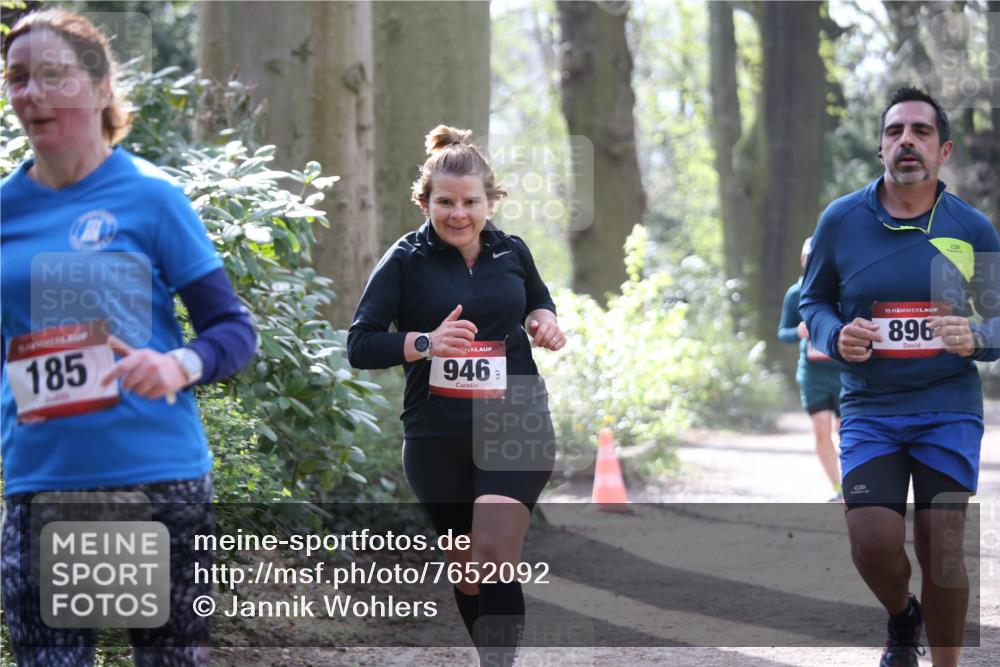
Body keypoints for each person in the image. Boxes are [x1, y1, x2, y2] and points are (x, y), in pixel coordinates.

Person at [1, 10, 256, 666]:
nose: (30, 92)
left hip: (157, 482)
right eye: (17, 78)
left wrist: (179, 363)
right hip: (44, 484)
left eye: (52, 75)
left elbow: (232, 330)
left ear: (100, 86)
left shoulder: (152, 198)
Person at [348, 125, 565, 667]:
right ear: (424, 201)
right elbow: (360, 344)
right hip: (436, 431)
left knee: (493, 549)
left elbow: (538, 301)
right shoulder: (404, 260)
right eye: (445, 202)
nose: (458, 214)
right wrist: (425, 342)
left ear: (491, 201)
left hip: (516, 417)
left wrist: (544, 323)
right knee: (467, 564)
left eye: (471, 201)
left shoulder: (512, 251)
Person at [800, 86, 1000, 667]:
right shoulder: (842, 220)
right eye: (894, 132)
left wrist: (978, 335)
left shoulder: (973, 228)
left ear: (944, 151)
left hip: (948, 408)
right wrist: (837, 335)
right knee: (872, 543)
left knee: (942, 551)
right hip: (870, 409)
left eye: (920, 132)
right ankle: (900, 617)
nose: (906, 141)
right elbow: (814, 303)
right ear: (881, 147)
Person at [777, 236, 843, 501]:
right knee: (821, 429)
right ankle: (837, 487)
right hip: (813, 373)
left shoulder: (843, 289)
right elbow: (782, 333)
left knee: (846, 430)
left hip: (843, 372)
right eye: (810, 258)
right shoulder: (796, 294)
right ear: (803, 260)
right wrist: (798, 331)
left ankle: (855, 485)